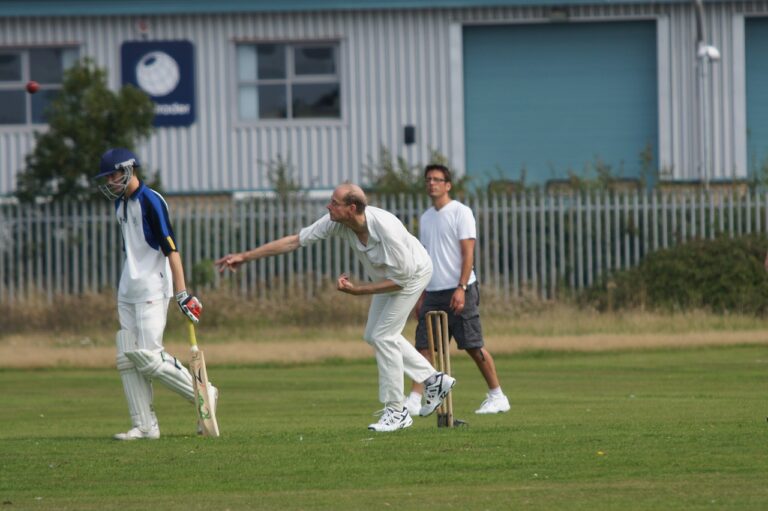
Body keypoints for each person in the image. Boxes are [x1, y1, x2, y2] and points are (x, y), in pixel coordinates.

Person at [214, 183, 455, 432]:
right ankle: (434, 380)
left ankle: (397, 411)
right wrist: (245, 256)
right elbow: (294, 241)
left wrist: (357, 290)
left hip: (413, 274)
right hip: (387, 278)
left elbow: (400, 281)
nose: (328, 206)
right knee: (373, 335)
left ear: (351, 208)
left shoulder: (386, 229)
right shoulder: (335, 222)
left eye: (334, 203)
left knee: (384, 336)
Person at [94, 148, 216, 440]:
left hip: (152, 287)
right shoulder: (120, 206)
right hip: (127, 289)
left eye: (113, 174)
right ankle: (145, 426)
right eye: (107, 177)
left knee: (150, 356)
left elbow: (171, 250)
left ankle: (204, 394)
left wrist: (182, 293)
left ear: (128, 170)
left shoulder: (151, 200)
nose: (110, 181)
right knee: (127, 355)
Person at [405, 164, 510, 416]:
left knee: (473, 345)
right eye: (428, 179)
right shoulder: (426, 217)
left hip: (459, 289)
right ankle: (413, 400)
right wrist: (421, 294)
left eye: (437, 180)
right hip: (432, 291)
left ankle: (497, 396)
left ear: (447, 185)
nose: (432, 183)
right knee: (423, 348)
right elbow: (425, 258)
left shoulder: (461, 212)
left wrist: (461, 287)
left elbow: (468, 253)